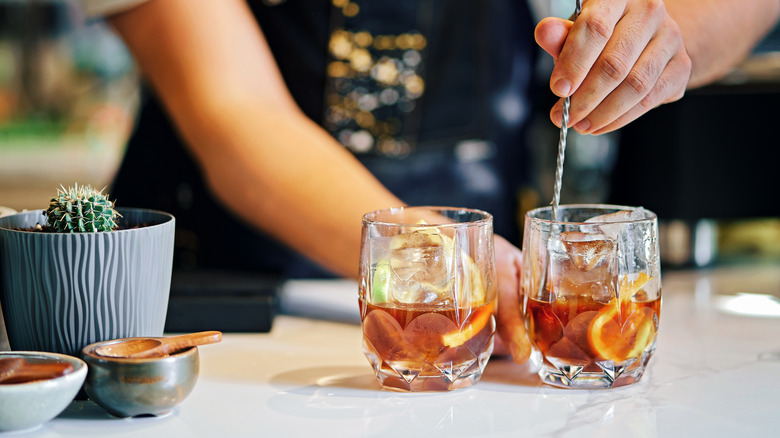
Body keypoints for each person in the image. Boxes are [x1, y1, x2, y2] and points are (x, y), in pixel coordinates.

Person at [80, 0, 779, 363]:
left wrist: (663, 37)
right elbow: (235, 116)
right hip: (225, 311)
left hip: (480, 312)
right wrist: (439, 256)